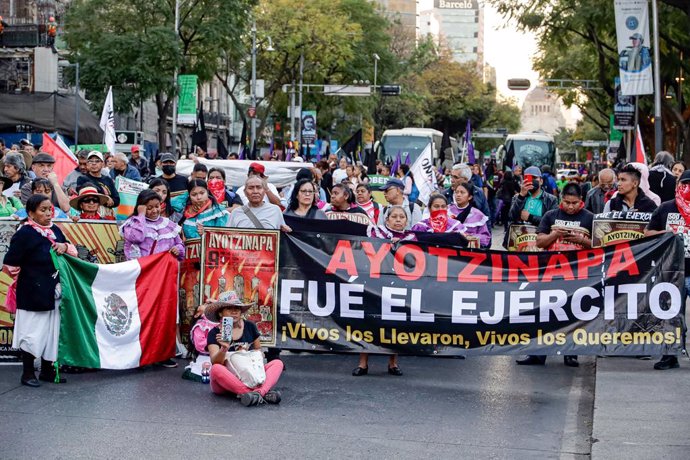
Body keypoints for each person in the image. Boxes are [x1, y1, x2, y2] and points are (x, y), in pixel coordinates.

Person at [4, 194, 78, 387]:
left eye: (49, 209)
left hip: (54, 292)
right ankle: (28, 373)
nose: (48, 213)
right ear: (31, 213)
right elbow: (10, 263)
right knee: (32, 332)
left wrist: (64, 246)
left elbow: (72, 250)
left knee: (52, 332)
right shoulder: (25, 233)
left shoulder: (55, 230)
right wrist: (30, 279)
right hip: (32, 292)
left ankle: (48, 370)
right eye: (43, 210)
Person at [516, 183, 593, 368]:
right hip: (551, 273)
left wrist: (581, 240)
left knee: (573, 314)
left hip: (578, 274)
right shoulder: (551, 216)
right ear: (561, 199)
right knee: (544, 314)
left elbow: (600, 245)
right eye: (567, 202)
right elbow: (540, 242)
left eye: (575, 203)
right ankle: (538, 354)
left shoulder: (590, 218)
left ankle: (571, 353)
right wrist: (555, 235)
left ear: (581, 200)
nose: (571, 206)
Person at [644, 170, 690, 370]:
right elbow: (648, 232)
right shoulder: (665, 208)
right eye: (684, 184)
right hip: (671, 273)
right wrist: (669, 233)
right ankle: (669, 355)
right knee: (671, 315)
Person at [205, 296, 284, 406]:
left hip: (249, 373)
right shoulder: (214, 333)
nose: (234, 312)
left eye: (237, 309)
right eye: (229, 309)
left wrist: (250, 354)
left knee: (277, 363)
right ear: (220, 313)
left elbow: (258, 350)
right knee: (215, 369)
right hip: (228, 379)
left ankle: (256, 394)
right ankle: (257, 393)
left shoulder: (250, 326)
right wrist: (224, 349)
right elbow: (215, 362)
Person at [121, 189, 184, 261]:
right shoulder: (132, 223)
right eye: (149, 208)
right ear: (141, 207)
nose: (154, 211)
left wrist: (178, 249)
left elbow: (180, 243)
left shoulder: (168, 224)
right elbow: (137, 238)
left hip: (164, 268)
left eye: (157, 206)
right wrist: (141, 216)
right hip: (144, 268)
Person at [507, 165, 558, 230]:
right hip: (520, 236)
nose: (532, 181)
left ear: (541, 181)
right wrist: (521, 196)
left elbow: (552, 222)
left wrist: (530, 217)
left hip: (540, 237)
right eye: (528, 178)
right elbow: (512, 217)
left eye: (534, 178)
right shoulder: (518, 197)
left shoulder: (551, 200)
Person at [449, 183, 491, 247]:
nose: (458, 195)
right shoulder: (447, 210)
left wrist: (467, 236)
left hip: (469, 251)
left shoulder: (477, 214)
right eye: (456, 192)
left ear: (470, 197)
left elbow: (486, 238)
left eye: (462, 192)